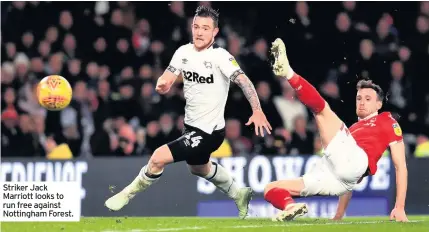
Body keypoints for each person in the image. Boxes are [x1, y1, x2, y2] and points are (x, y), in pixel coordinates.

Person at [104, 6, 272, 219]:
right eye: (196, 27)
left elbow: (244, 81)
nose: (199, 32)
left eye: (205, 28)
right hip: (191, 128)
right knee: (199, 169)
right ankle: (239, 194)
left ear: (215, 32)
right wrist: (162, 83)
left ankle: (126, 194)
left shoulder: (221, 57)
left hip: (210, 132)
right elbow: (167, 76)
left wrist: (257, 110)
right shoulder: (183, 52)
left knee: (157, 158)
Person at [264, 38, 408, 222]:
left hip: (353, 167)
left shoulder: (386, 120)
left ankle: (289, 73)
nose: (362, 102)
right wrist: (339, 215)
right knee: (271, 188)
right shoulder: (352, 130)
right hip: (336, 179)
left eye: (368, 99)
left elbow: (400, 165)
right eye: (359, 98)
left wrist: (400, 206)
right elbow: (347, 173)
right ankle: (290, 206)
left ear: (379, 104)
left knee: (322, 110)